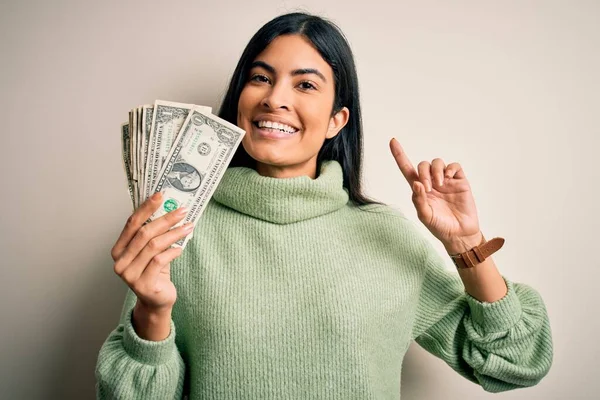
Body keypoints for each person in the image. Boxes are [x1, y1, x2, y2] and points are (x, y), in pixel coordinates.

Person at [95, 12, 553, 399]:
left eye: (306, 85)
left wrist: (467, 244)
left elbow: (518, 360)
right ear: (239, 104)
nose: (275, 99)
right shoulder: (178, 228)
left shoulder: (385, 236)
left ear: (337, 120)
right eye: (260, 78)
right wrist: (151, 314)